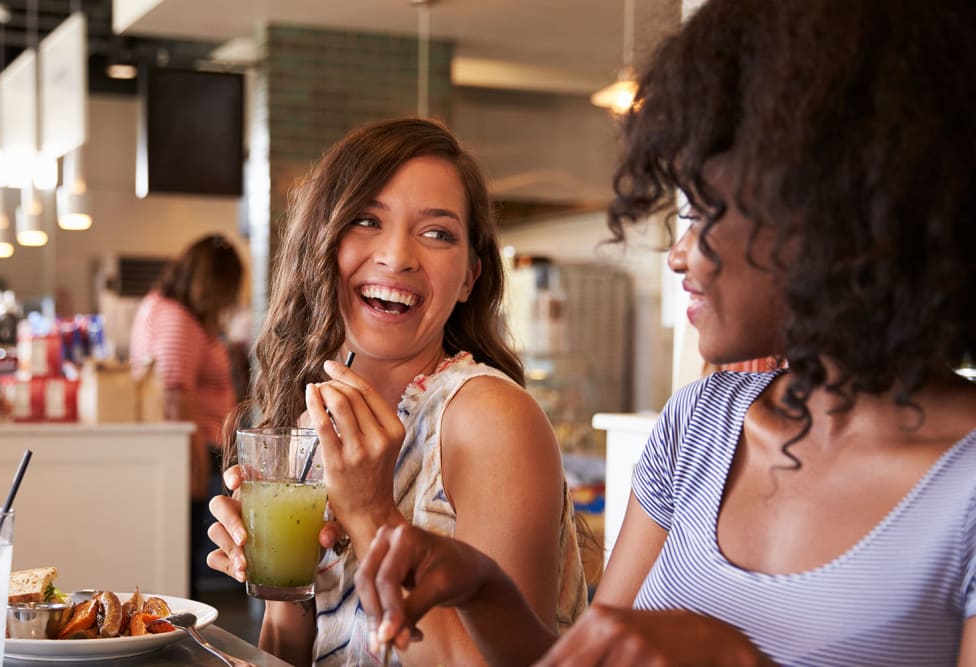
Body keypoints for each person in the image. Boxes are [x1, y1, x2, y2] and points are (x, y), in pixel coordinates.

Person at [351, 0, 976, 665]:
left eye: (702, 209)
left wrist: (739, 660)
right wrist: (484, 590)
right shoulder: (699, 426)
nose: (677, 254)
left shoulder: (961, 486)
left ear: (825, 211)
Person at [205, 117, 588, 666]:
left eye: (437, 233)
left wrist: (371, 512)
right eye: (366, 220)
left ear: (469, 279)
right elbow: (293, 654)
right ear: (324, 243)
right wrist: (285, 583)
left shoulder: (489, 417)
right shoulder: (317, 421)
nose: (398, 255)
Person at [129, 233, 245, 600]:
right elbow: (178, 397)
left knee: (188, 558)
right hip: (195, 453)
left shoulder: (164, 309)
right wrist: (194, 470)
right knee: (190, 562)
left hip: (195, 451)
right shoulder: (177, 319)